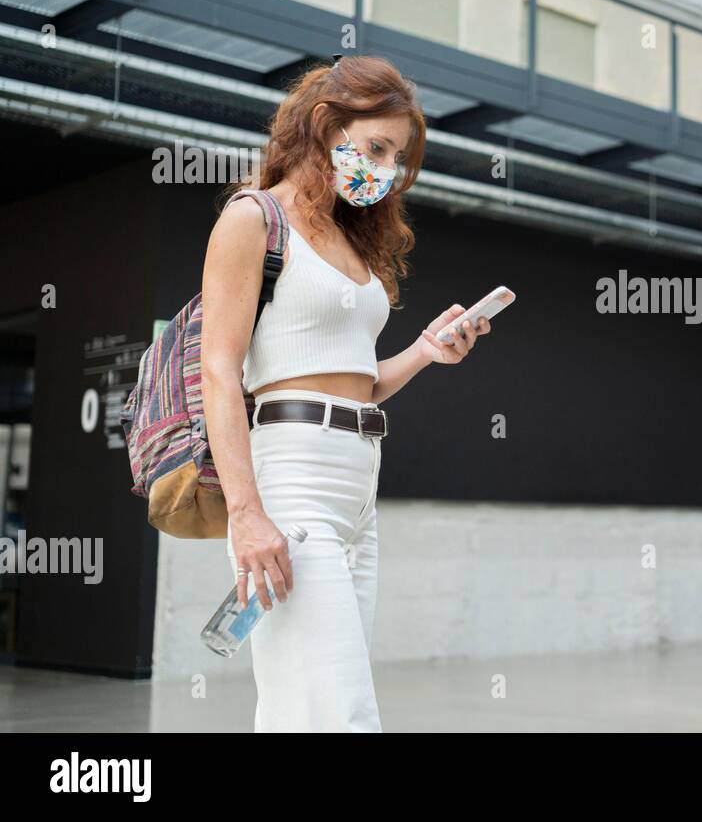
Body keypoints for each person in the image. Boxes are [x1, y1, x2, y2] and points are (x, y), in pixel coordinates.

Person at [200, 54, 489, 731]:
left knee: (305, 712)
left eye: (397, 158)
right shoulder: (254, 219)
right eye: (378, 146)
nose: (386, 168)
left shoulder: (351, 244)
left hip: (358, 489)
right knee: (345, 714)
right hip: (292, 479)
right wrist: (246, 514)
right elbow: (220, 371)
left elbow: (357, 382)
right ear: (327, 123)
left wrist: (423, 351)